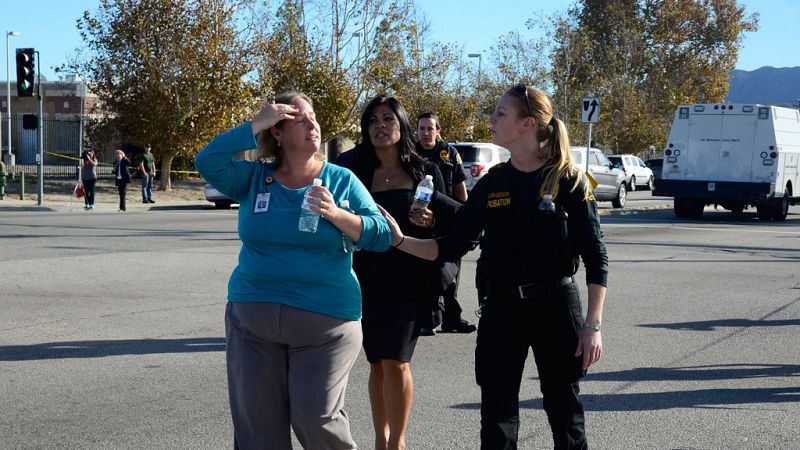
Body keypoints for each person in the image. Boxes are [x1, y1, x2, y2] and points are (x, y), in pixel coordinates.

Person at [380, 84, 607, 450]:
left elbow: (597, 259)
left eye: (501, 113)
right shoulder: (493, 183)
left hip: (555, 306)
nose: (492, 119)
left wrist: (592, 326)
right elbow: (451, 246)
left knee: (565, 412)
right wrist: (400, 240)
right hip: (502, 308)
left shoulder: (568, 181)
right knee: (496, 417)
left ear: (527, 124)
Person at [194, 91, 392, 450]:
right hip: (252, 320)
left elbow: (381, 235)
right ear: (277, 134)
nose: (312, 123)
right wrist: (256, 122)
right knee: (258, 427)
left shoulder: (341, 180)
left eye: (313, 116)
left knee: (316, 419)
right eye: (298, 119)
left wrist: (337, 215)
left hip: (326, 323)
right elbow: (207, 160)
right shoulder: (253, 179)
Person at [337, 95, 461, 450]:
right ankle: (381, 440)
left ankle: (398, 443)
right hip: (363, 277)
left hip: (410, 276)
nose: (380, 126)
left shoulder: (424, 169)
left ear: (401, 125)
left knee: (397, 360)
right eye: (373, 120)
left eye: (388, 119)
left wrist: (431, 219)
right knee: (377, 361)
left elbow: (451, 218)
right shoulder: (353, 171)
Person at [415, 112, 475, 335]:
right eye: (421, 128)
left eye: (430, 128)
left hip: (448, 216)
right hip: (422, 219)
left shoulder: (449, 153)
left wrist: (465, 216)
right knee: (427, 270)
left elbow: (459, 186)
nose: (425, 133)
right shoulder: (411, 152)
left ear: (438, 131)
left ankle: (452, 319)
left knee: (452, 270)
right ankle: (427, 318)